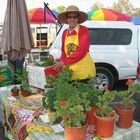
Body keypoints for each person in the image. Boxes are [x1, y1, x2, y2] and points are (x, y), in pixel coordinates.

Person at [54, 5, 96, 80]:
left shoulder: (84, 30)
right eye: (69, 17)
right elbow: (64, 51)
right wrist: (61, 60)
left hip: (84, 71)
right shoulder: (64, 32)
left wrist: (63, 62)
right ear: (67, 19)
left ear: (78, 18)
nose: (72, 19)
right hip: (71, 71)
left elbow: (81, 51)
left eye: (74, 17)